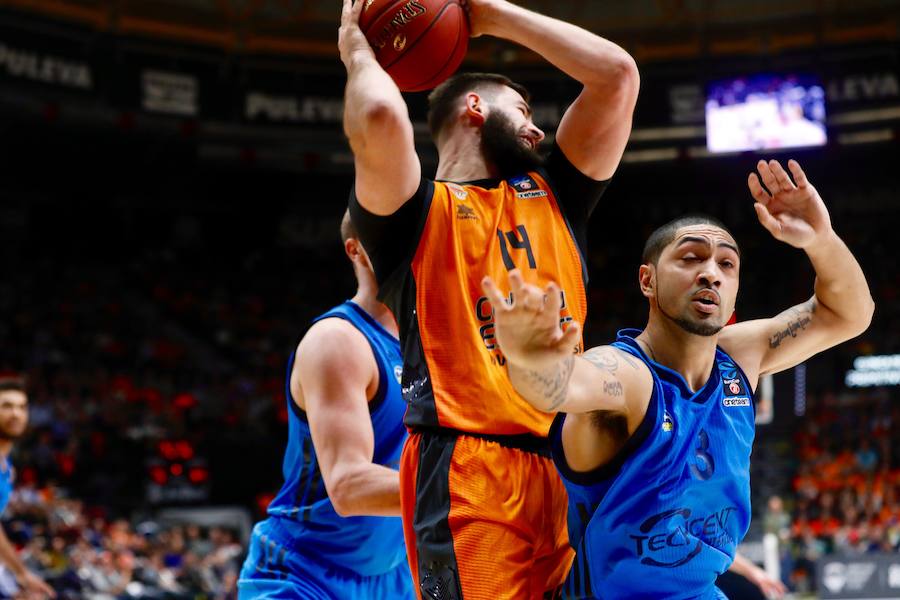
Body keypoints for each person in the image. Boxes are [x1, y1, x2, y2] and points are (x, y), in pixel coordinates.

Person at [339, 0, 639, 596]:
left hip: (570, 464)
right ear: (474, 108)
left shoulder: (557, 193)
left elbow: (617, 76)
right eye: (523, 110)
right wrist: (357, 49)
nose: (537, 128)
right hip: (466, 471)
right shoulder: (411, 214)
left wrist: (489, 14)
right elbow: (375, 111)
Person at [482, 159, 873, 599]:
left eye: (727, 265)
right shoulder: (627, 375)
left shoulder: (741, 355)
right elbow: (560, 385)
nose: (711, 273)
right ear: (647, 281)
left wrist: (821, 239)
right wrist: (529, 356)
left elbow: (849, 314)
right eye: (691, 257)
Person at [237, 214, 412, 599]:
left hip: (396, 575)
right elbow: (350, 487)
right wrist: (473, 490)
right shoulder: (338, 341)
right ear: (356, 251)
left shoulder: (433, 344)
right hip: (305, 574)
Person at [0, 377, 56, 598]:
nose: (16, 413)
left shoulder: (7, 467)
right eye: (7, 406)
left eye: (22, 407)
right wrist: (21, 573)